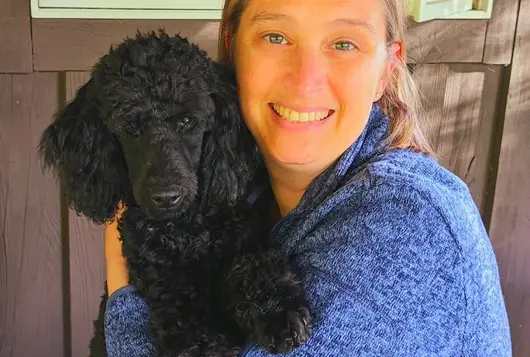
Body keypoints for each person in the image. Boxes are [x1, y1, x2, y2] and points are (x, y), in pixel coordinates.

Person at [103, 0, 513, 356]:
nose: (305, 79)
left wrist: (124, 291)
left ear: (386, 71)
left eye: (344, 43)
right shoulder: (235, 185)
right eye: (276, 37)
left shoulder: (410, 228)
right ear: (232, 47)